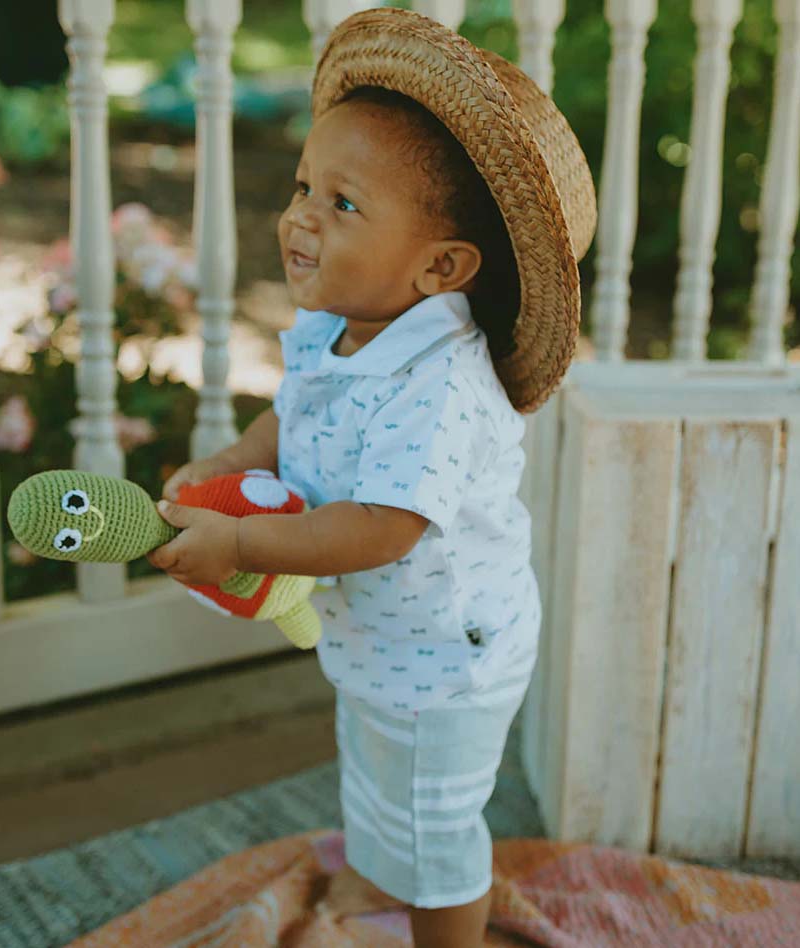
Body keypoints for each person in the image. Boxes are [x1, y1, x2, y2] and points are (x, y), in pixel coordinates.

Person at [147, 8, 596, 946]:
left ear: (441, 266)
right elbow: (299, 412)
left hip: (448, 658)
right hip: (384, 643)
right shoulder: (342, 324)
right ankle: (380, 873)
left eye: (343, 204)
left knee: (438, 829)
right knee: (375, 769)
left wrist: (237, 541)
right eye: (306, 185)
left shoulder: (440, 388)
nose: (301, 215)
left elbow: (381, 529)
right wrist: (233, 463)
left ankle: (442, 922)